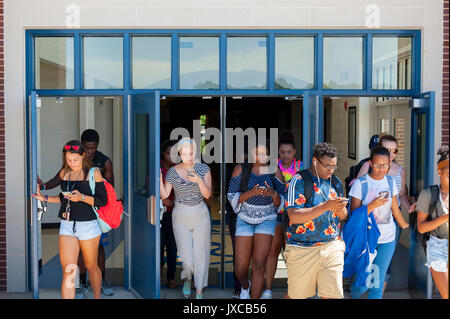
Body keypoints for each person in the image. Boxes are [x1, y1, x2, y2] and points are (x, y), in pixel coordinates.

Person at [38, 129, 115, 297]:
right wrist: (43, 197)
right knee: (68, 270)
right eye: (68, 160)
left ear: (83, 156)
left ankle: (96, 295)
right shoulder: (64, 173)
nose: (71, 163)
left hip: (88, 225)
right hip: (67, 226)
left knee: (91, 266)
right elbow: (63, 199)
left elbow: (102, 201)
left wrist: (82, 197)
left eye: (75, 159)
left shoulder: (94, 173)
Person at [284, 142, 348, 299]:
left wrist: (341, 210)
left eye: (334, 166)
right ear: (315, 161)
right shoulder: (298, 181)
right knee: (297, 296)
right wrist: (326, 206)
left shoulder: (336, 182)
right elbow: (294, 215)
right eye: (327, 166)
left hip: (332, 246)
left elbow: (343, 216)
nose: (331, 170)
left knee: (332, 295)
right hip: (302, 249)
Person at [227, 139, 286, 299]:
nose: (260, 156)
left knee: (259, 264)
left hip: (266, 219)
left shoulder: (275, 171)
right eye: (256, 152)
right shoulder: (241, 169)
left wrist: (273, 194)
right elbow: (231, 196)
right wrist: (251, 193)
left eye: (263, 152)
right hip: (244, 219)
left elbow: (282, 199)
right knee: (240, 267)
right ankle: (245, 285)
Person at [349, 146, 409, 299]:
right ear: (370, 163)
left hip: (387, 239)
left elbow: (395, 207)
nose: (381, 168)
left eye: (385, 165)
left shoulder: (390, 181)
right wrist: (372, 206)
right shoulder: (361, 184)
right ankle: (354, 294)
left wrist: (405, 225)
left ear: (390, 164)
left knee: (377, 283)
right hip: (366, 239)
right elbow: (353, 215)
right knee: (363, 284)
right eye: (377, 164)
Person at [160, 138, 212, 299]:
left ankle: (199, 290)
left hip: (200, 213)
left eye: (191, 153)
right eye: (184, 154)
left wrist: (198, 180)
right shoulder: (172, 171)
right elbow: (164, 195)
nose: (188, 157)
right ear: (179, 154)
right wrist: (158, 181)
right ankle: (188, 278)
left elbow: (208, 194)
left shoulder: (203, 169)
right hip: (180, 214)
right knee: (187, 258)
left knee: (201, 254)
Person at [262, 131, 302, 299]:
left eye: (289, 152)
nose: (286, 156)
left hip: (294, 215)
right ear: (278, 152)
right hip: (276, 214)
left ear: (294, 152)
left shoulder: (300, 166)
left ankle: (293, 289)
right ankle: (268, 290)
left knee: (292, 253)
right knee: (273, 251)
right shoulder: (273, 166)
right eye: (282, 152)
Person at [416, 145, 449, 299]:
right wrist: (446, 217)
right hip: (438, 246)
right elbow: (421, 228)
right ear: (439, 172)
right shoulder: (428, 194)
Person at [160, 140, 178, 289]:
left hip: (175, 214)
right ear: (163, 154)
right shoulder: (157, 168)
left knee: (172, 247)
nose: (171, 156)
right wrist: (161, 200)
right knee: (158, 247)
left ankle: (171, 277)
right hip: (158, 214)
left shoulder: (180, 169)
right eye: (168, 153)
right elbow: (147, 188)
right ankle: (157, 275)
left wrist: (174, 203)